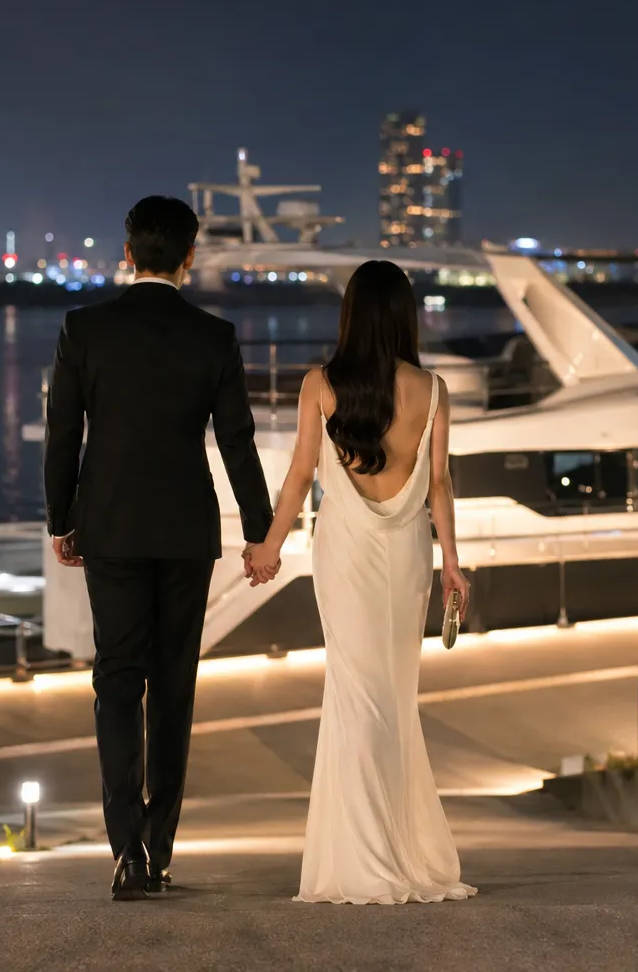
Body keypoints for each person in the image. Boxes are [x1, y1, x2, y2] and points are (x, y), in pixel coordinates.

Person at [44, 195, 276, 902]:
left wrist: (62, 518)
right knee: (173, 685)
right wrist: (260, 531)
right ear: (189, 256)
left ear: (126, 253)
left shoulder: (84, 329)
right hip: (184, 529)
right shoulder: (214, 336)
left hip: (108, 525)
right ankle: (161, 848)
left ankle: (125, 852)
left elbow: (63, 437)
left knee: (117, 681)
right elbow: (236, 441)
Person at [246, 259, 476, 905]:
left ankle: (364, 857)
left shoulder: (320, 383)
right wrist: (452, 562)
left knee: (356, 693)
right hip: (406, 557)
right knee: (394, 697)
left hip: (343, 554)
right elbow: (439, 486)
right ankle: (396, 853)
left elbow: (297, 478)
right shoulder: (431, 389)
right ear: (405, 316)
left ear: (351, 315)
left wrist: (267, 547)